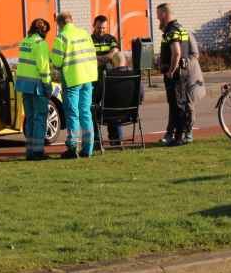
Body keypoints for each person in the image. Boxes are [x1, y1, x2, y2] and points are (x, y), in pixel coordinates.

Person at [155, 3, 205, 147]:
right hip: (183, 74)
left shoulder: (171, 31)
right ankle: (182, 134)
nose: (158, 18)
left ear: (164, 14)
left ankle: (180, 136)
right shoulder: (181, 28)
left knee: (177, 105)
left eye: (158, 15)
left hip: (175, 75)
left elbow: (176, 52)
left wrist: (170, 70)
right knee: (181, 104)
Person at [50, 12, 98, 159]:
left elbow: (57, 62)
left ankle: (72, 148)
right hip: (88, 78)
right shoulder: (84, 34)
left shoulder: (62, 38)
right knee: (85, 113)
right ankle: (88, 149)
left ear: (59, 25)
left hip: (72, 79)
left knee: (72, 113)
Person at [15, 18, 53, 161]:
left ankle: (30, 152)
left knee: (30, 119)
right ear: (43, 30)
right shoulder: (41, 44)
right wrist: (48, 86)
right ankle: (38, 151)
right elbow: (43, 68)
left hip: (24, 86)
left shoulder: (25, 41)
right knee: (40, 118)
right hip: (37, 87)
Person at [91, 51, 144, 146]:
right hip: (130, 113)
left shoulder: (107, 76)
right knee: (112, 111)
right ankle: (117, 138)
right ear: (126, 63)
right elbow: (141, 98)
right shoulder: (135, 75)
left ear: (113, 64)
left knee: (92, 109)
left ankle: (98, 140)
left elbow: (95, 99)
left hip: (108, 114)